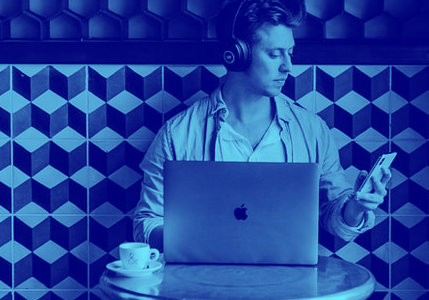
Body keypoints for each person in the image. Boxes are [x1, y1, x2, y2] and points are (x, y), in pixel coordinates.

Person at [132, 0, 391, 248]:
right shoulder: (177, 135)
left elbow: (334, 217)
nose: (288, 66)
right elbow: (146, 224)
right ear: (237, 54)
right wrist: (201, 239)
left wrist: (355, 208)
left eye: (290, 53)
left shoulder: (312, 131)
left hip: (290, 289)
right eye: (274, 54)